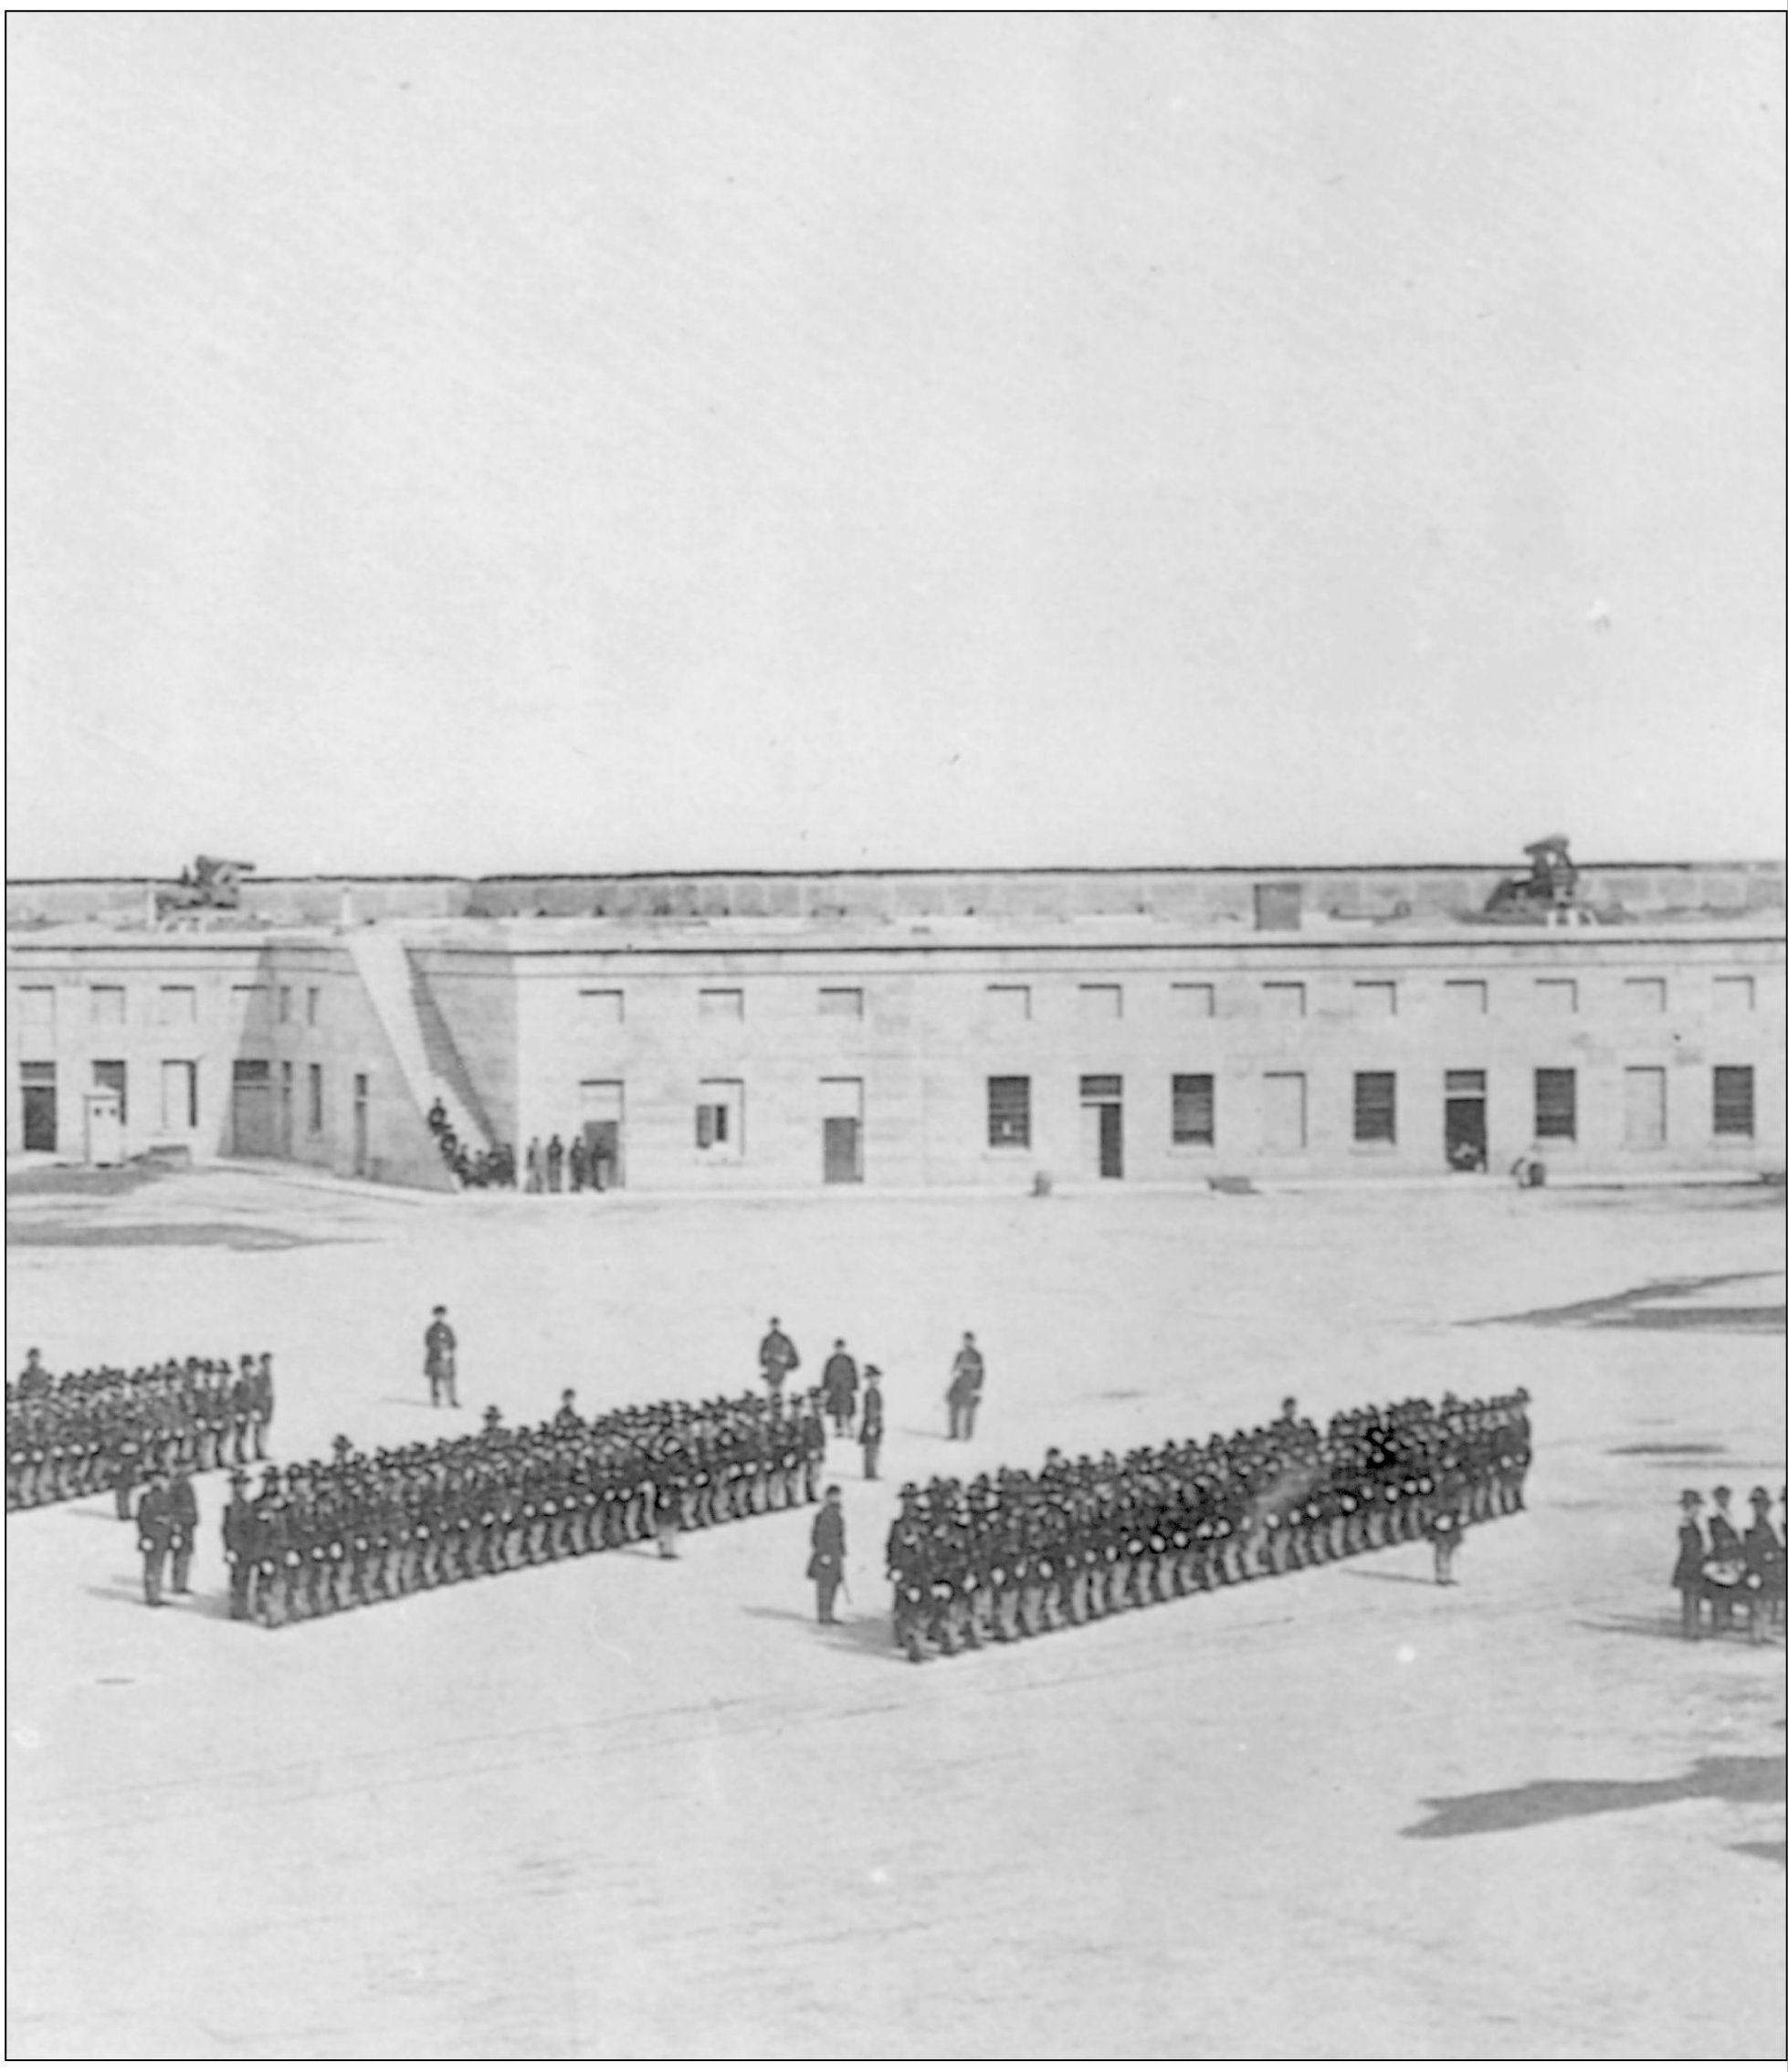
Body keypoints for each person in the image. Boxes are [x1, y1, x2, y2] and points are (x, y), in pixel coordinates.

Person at [136, 1469, 175, 1607]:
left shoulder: (168, 1497)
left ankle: (156, 1593)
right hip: (151, 1536)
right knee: (152, 1567)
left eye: (161, 1479)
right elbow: (142, 1519)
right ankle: (152, 1596)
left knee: (159, 1566)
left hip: (163, 1536)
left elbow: (172, 1516)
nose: (159, 1482)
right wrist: (144, 1535)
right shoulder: (147, 1498)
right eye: (155, 1479)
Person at [809, 1484, 847, 1624]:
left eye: (837, 1495)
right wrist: (823, 1553)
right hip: (825, 1556)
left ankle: (829, 1613)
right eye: (833, 1496)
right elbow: (817, 1537)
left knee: (833, 1584)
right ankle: (823, 1615)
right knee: (824, 1586)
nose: (836, 1498)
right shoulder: (823, 1515)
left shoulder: (837, 1514)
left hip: (836, 1555)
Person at [1673, 1489, 1708, 1641]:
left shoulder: (1690, 1523)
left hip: (1690, 1566)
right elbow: (1691, 1548)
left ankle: (1692, 1630)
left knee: (1692, 1599)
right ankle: (1691, 1631)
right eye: (1694, 1506)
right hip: (1690, 1566)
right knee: (1691, 1600)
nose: (1697, 1509)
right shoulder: (1687, 1524)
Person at [167, 1467, 199, 1595]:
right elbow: (172, 1507)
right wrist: (175, 1525)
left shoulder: (187, 1486)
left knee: (186, 1553)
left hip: (188, 1524)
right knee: (181, 1554)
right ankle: (178, 1584)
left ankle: (182, 1582)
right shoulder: (176, 1487)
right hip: (181, 1525)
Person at [947, 1333, 983, 1441]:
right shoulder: (960, 1354)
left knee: (970, 1410)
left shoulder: (977, 1355)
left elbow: (980, 1372)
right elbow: (955, 1368)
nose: (967, 1342)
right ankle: (954, 1433)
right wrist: (956, 1371)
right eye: (965, 1340)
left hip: (970, 1385)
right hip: (959, 1384)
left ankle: (968, 1434)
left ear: (973, 1341)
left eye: (969, 1340)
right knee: (953, 1407)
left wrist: (977, 1387)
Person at [822, 1340, 858, 1438]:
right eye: (838, 1348)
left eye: (841, 1348)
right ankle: (839, 1429)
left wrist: (855, 1386)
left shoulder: (849, 1360)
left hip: (846, 1390)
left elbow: (854, 1374)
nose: (839, 1350)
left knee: (849, 1410)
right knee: (836, 1410)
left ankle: (850, 1429)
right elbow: (826, 1375)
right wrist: (825, 1387)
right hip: (835, 1390)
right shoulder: (831, 1361)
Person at [758, 1318, 800, 1405]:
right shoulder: (766, 1340)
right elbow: (762, 1360)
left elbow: (794, 1359)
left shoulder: (785, 1340)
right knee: (771, 1397)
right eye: (773, 1324)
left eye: (776, 1324)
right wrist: (767, 1358)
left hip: (783, 1373)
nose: (774, 1327)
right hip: (771, 1372)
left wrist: (784, 1360)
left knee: (784, 1399)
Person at [424, 1306, 458, 1409]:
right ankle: (435, 1400)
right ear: (435, 1315)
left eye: (441, 1314)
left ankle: (452, 1400)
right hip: (435, 1357)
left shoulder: (447, 1329)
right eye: (437, 1314)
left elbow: (453, 1341)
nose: (440, 1316)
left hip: (446, 1357)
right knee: (435, 1379)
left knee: (450, 1379)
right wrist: (438, 1350)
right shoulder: (431, 1329)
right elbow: (428, 1342)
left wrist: (449, 1350)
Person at [859, 1367, 885, 1482]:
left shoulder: (874, 1392)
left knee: (874, 1448)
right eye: (873, 1378)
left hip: (875, 1423)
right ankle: (870, 1472)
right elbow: (870, 1410)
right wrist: (871, 1424)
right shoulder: (870, 1393)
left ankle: (872, 1470)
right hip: (872, 1423)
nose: (876, 1380)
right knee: (871, 1448)